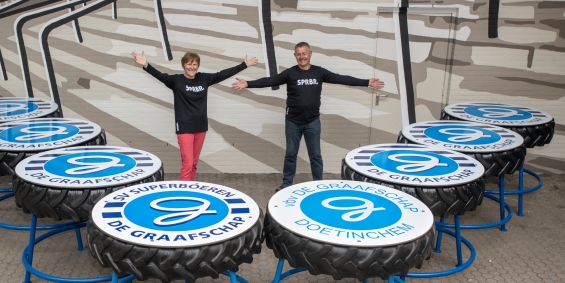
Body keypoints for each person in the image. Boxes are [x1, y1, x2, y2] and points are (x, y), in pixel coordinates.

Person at [232, 42, 385, 192]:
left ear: (310, 54)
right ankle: (286, 184)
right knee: (291, 155)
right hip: (293, 122)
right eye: (298, 54)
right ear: (295, 56)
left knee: (316, 156)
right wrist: (248, 84)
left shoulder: (319, 72)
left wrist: (366, 82)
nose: (301, 57)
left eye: (304, 53)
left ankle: (318, 185)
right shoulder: (290, 73)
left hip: (312, 122)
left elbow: (341, 78)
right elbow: (270, 80)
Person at [132, 51, 258, 181]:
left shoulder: (204, 79)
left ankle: (190, 189)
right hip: (185, 127)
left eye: (195, 64)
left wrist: (244, 65)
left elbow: (222, 74)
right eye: (189, 64)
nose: (192, 67)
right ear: (183, 65)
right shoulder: (176, 81)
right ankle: (183, 195)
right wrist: (146, 64)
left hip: (200, 127)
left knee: (193, 164)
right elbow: (161, 76)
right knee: (187, 163)